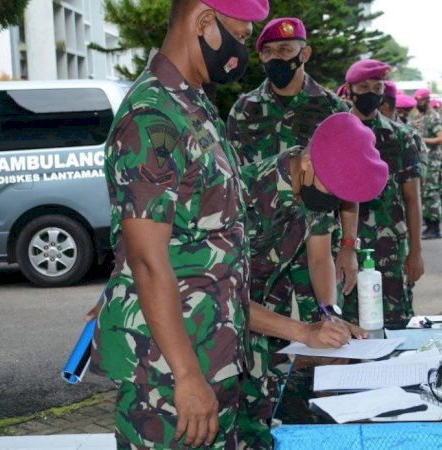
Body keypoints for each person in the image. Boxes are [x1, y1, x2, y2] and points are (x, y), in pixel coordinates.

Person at [89, 1, 271, 448]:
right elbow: (148, 262)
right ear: (205, 23)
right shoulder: (152, 116)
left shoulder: (193, 104)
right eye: (242, 37)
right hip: (169, 374)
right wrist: (188, 377)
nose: (242, 52)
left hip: (213, 353)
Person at [240, 112, 385, 448]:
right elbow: (220, 294)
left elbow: (319, 257)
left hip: (260, 308)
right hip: (210, 313)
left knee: (267, 406)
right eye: (332, 192)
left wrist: (329, 313)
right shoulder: (243, 194)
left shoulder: (315, 180)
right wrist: (304, 331)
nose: (333, 202)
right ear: (306, 162)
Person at [226, 16, 359, 357]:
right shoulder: (243, 111)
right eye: (267, 52)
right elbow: (233, 189)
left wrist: (347, 245)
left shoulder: (333, 109)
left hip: (316, 233)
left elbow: (347, 185)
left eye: (285, 49)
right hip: (259, 241)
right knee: (258, 344)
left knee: (326, 336)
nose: (275, 58)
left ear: (305, 53)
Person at [341, 60, 424, 328]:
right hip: (346, 247)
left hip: (391, 249)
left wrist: (416, 252)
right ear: (349, 90)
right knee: (348, 326)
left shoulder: (401, 137)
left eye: (376, 87)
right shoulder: (336, 134)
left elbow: (412, 198)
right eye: (363, 87)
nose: (370, 93)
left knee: (397, 324)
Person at [412, 88, 442, 239]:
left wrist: (421, 139)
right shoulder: (422, 117)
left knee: (431, 193)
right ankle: (429, 225)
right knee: (425, 193)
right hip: (424, 161)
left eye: (420, 101)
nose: (418, 104)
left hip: (433, 161)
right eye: (417, 101)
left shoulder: (433, 117)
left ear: (427, 101)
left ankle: (435, 228)